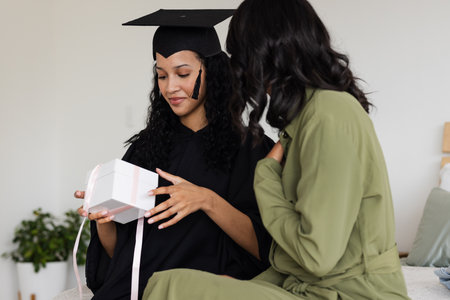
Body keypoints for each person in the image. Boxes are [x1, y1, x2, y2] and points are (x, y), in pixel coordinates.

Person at [141, 0, 411, 299]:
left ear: (264, 51)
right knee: (177, 282)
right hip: (308, 285)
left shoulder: (328, 115)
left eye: (241, 53)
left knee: (171, 287)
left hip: (350, 292)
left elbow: (316, 256)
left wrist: (266, 176)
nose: (238, 67)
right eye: (162, 76)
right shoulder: (308, 116)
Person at [75, 9, 273, 300]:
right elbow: (122, 259)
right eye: (161, 76)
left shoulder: (250, 149)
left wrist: (206, 199)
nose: (170, 87)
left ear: (212, 72)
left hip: (207, 290)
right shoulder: (145, 149)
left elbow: (265, 249)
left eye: (183, 74)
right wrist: (103, 221)